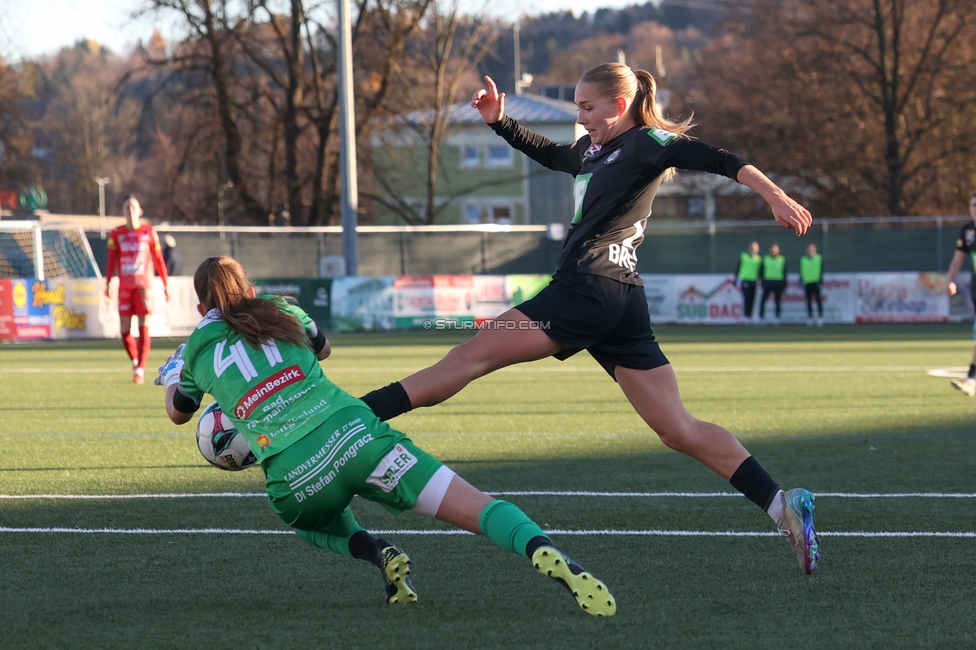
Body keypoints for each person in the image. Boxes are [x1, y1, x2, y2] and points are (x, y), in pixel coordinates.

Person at [359, 64, 821, 575]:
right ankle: (782, 505)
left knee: (469, 356)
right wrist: (500, 122)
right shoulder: (592, 150)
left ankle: (351, 418)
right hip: (621, 300)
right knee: (678, 428)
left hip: (586, 290)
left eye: (586, 108)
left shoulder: (647, 142)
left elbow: (721, 160)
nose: (581, 120)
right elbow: (553, 154)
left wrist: (775, 196)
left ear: (618, 106)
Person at [157, 256, 616, 616]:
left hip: (296, 479)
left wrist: (177, 370)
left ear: (201, 309)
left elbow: (180, 413)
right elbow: (324, 349)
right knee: (478, 507)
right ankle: (542, 549)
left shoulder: (196, 348)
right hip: (355, 436)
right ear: (250, 289)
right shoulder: (281, 308)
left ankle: (378, 551)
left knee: (310, 524)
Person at [105, 195, 169, 384]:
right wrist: (107, 283)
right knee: (124, 330)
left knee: (144, 328)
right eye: (127, 207)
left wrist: (166, 284)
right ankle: (135, 362)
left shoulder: (149, 232)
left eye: (133, 207)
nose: (130, 210)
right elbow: (110, 262)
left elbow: (159, 260)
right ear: (123, 212)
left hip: (144, 288)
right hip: (125, 288)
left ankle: (140, 369)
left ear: (140, 211)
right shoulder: (116, 233)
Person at [944, 191, 976, 396]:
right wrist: (950, 280)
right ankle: (971, 380)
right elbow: (958, 260)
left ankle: (972, 379)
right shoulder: (967, 231)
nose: (975, 208)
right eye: (973, 204)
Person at [759, 243, 787, 324]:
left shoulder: (782, 259)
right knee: (763, 300)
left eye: (775, 249)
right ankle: (761, 317)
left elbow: (784, 272)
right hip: (768, 281)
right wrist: (763, 281)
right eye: (772, 249)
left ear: (778, 250)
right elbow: (761, 271)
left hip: (778, 281)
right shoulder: (765, 259)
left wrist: (784, 283)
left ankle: (777, 317)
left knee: (777, 301)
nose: (773, 250)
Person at [734, 241, 762, 322]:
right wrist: (736, 280)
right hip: (745, 281)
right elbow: (738, 268)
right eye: (752, 247)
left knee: (752, 299)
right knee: (747, 298)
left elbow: (760, 271)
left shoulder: (759, 259)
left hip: (754, 281)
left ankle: (750, 316)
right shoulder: (744, 256)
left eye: (755, 248)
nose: (753, 249)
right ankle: (746, 316)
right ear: (749, 248)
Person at [801, 243, 824, 326]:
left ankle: (820, 317)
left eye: (812, 249)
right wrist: (801, 280)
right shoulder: (803, 259)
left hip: (816, 282)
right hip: (807, 282)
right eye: (809, 249)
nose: (811, 251)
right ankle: (810, 317)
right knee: (808, 301)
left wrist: (820, 281)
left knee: (818, 301)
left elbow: (822, 270)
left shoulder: (818, 258)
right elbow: (802, 270)